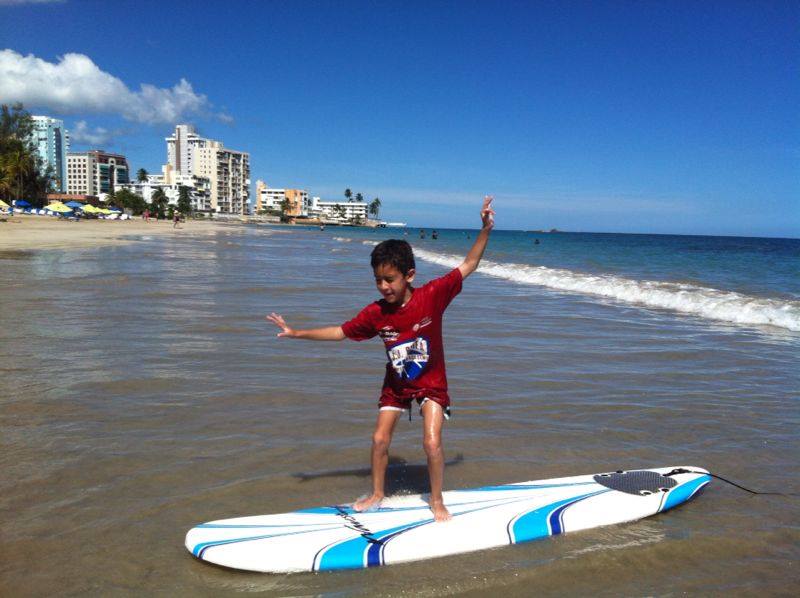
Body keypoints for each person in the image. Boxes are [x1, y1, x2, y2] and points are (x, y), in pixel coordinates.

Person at [267, 197, 495, 522]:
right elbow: (340, 332)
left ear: (409, 275)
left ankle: (436, 499)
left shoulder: (432, 296)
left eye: (390, 279)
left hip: (431, 382)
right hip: (397, 384)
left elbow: (469, 264)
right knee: (378, 439)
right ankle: (377, 493)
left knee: (431, 442)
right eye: (378, 280)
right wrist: (296, 332)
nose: (384, 286)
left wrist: (485, 229)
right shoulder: (376, 313)